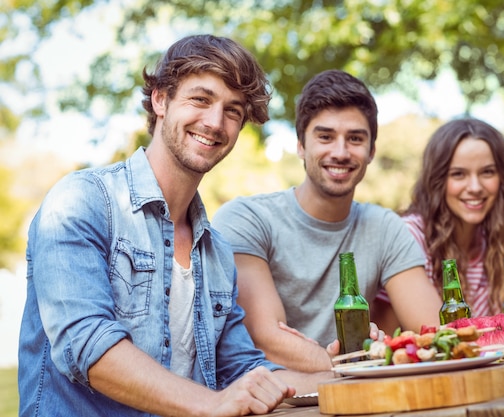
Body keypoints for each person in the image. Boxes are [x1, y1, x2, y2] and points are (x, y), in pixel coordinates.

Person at [18, 34, 331, 417]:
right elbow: (87, 346)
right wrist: (212, 403)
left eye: (233, 111)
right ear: (161, 100)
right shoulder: (82, 201)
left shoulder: (216, 251)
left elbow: (244, 371)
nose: (215, 122)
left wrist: (348, 374)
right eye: (200, 99)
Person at [211, 69, 442, 373]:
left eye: (355, 138)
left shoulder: (385, 227)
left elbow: (435, 332)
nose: (341, 152)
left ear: (371, 150)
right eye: (325, 136)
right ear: (301, 146)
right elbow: (266, 338)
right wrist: (354, 364)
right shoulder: (247, 219)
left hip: (356, 394)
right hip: (274, 402)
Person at [373, 118, 504, 330]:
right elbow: (438, 338)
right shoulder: (409, 235)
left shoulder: (493, 246)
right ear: (437, 181)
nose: (475, 187)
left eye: (487, 172)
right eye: (458, 174)